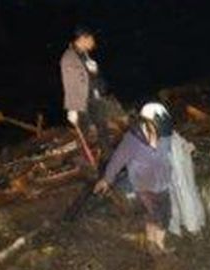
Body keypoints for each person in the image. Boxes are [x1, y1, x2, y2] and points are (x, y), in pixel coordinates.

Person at [94, 103, 173, 254]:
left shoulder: (165, 134)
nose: (161, 135)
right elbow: (118, 160)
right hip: (144, 185)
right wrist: (106, 179)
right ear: (146, 123)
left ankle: (155, 244)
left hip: (163, 183)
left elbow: (169, 150)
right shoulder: (132, 140)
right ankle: (156, 246)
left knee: (165, 215)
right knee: (157, 215)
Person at [60, 26, 112, 150]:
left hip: (95, 98)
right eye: (91, 39)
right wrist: (72, 109)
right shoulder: (69, 58)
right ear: (83, 38)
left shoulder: (85, 55)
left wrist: (94, 71)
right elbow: (69, 84)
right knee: (87, 135)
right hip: (83, 103)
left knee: (103, 130)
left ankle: (108, 159)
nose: (93, 42)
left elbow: (90, 78)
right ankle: (89, 164)